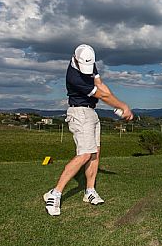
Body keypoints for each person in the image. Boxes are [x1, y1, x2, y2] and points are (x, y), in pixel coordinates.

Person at [44, 44, 133, 216]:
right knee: (85, 154)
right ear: (76, 59)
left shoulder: (88, 60)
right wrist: (123, 106)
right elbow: (102, 95)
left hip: (91, 112)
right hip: (79, 113)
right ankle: (55, 193)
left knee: (95, 153)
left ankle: (89, 191)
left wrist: (118, 103)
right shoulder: (74, 77)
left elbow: (101, 85)